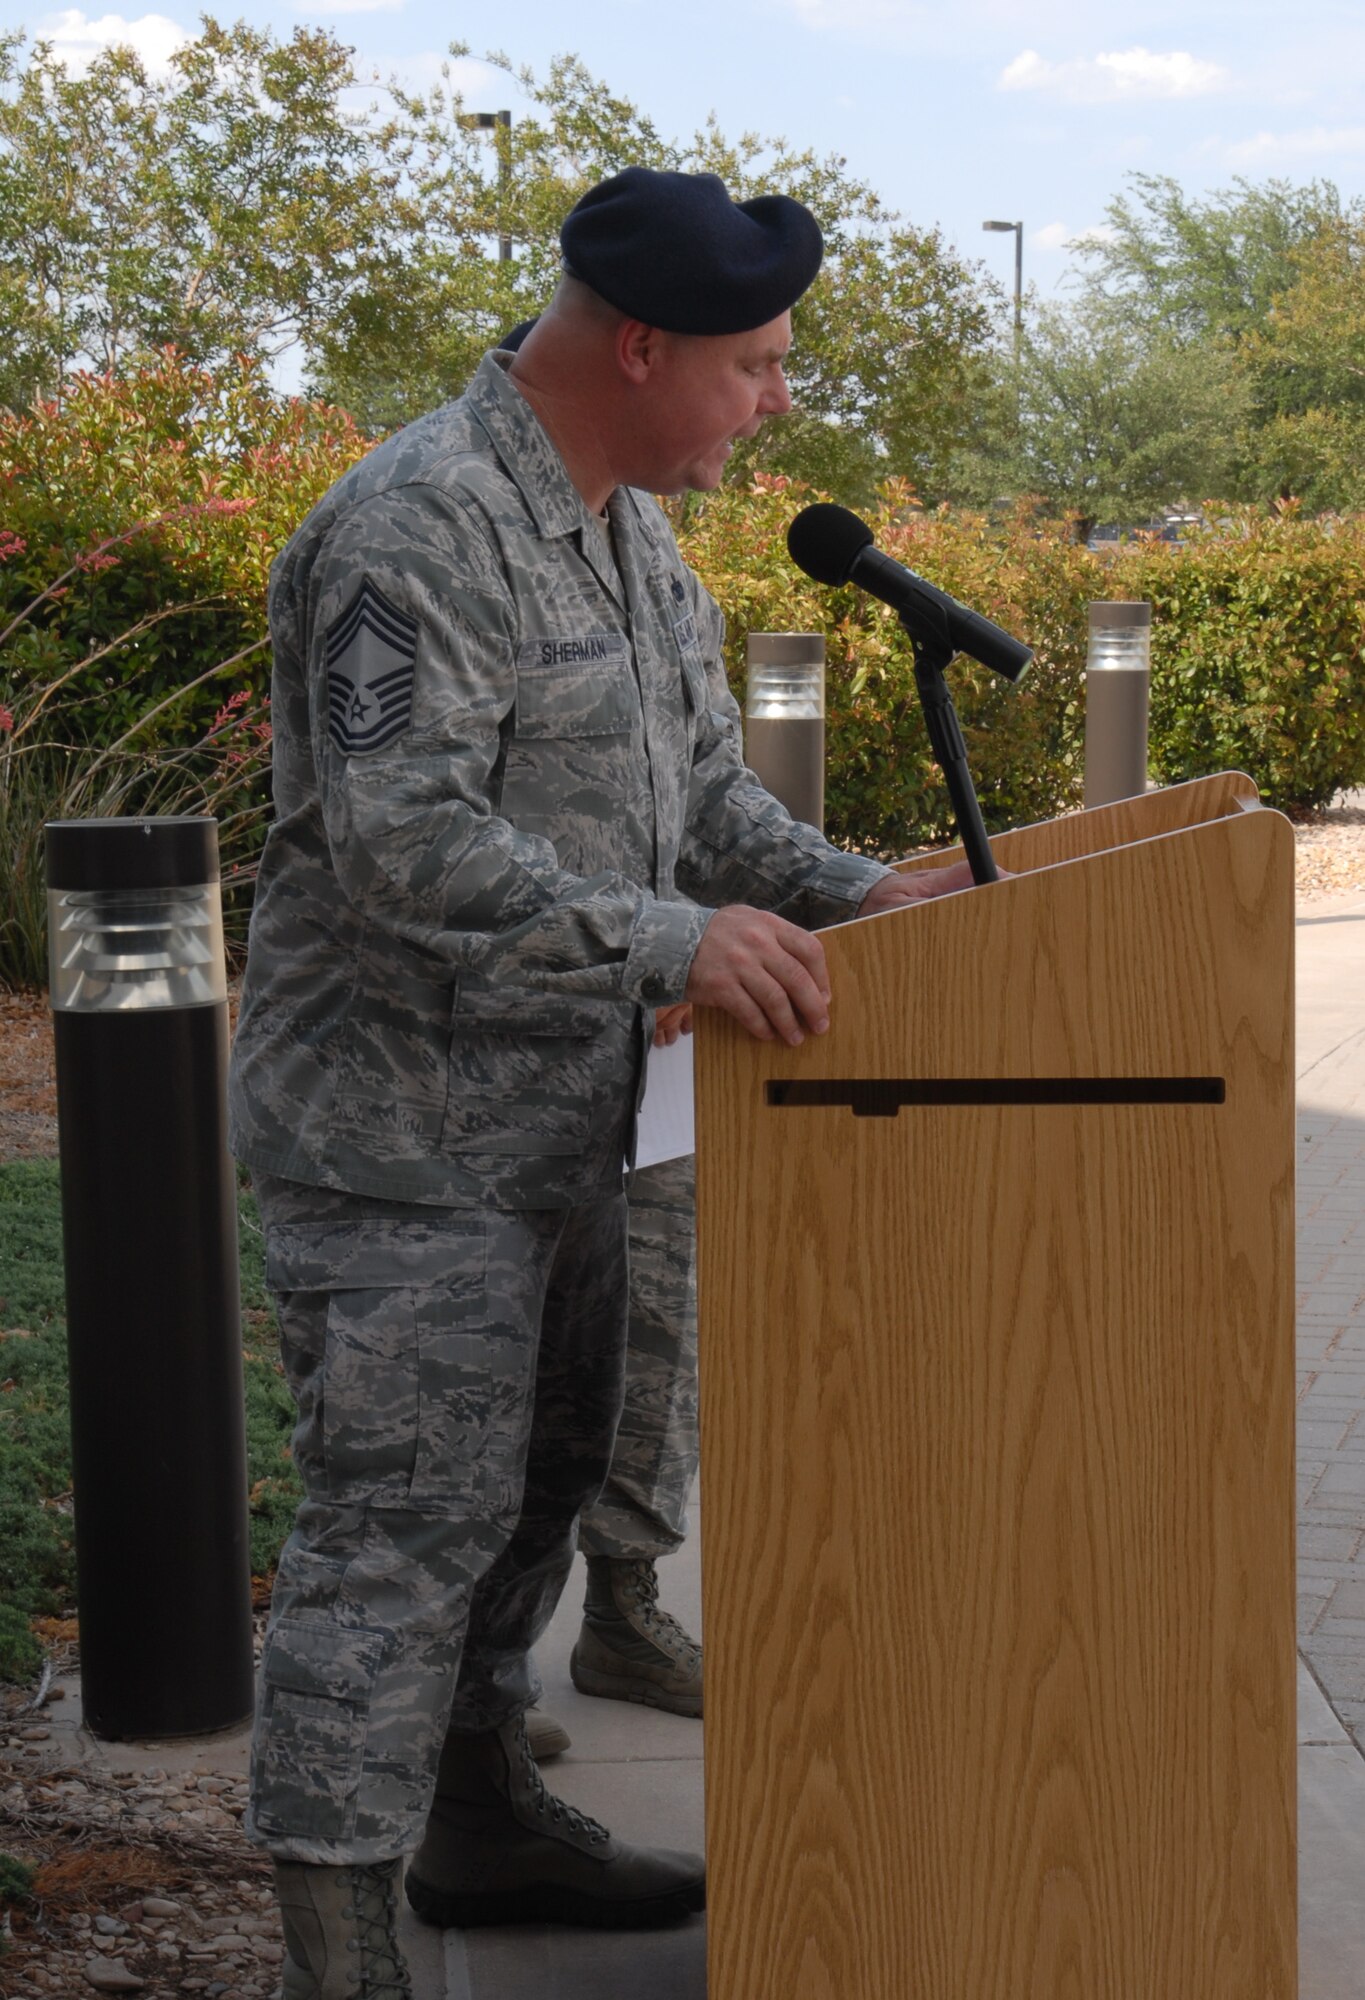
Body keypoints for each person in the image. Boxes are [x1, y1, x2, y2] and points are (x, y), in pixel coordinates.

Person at [228, 165, 973, 1999]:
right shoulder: (417, 527)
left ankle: (478, 1832)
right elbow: (395, 837)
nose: (777, 399)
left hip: (564, 1129)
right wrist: (668, 943)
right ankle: (339, 1946)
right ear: (641, 344)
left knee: (539, 1497)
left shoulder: (629, 532)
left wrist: (856, 893)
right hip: (401, 1147)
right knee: (396, 1539)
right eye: (758, 363)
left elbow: (703, 802)